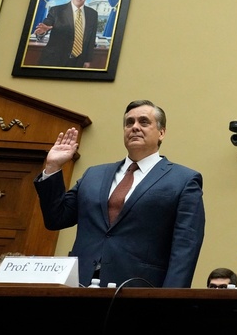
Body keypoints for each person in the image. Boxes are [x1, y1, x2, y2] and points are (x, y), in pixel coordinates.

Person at [34, 100, 205, 288]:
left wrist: (170, 299)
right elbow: (56, 219)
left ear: (161, 133)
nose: (135, 127)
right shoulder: (94, 175)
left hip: (140, 289)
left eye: (144, 122)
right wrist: (52, 167)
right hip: (81, 285)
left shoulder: (183, 180)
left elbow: (185, 247)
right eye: (129, 123)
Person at [33, 0, 99, 68]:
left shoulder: (93, 14)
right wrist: (42, 32)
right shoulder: (56, 10)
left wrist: (87, 60)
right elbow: (46, 25)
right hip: (54, 60)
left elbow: (91, 38)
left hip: (78, 62)